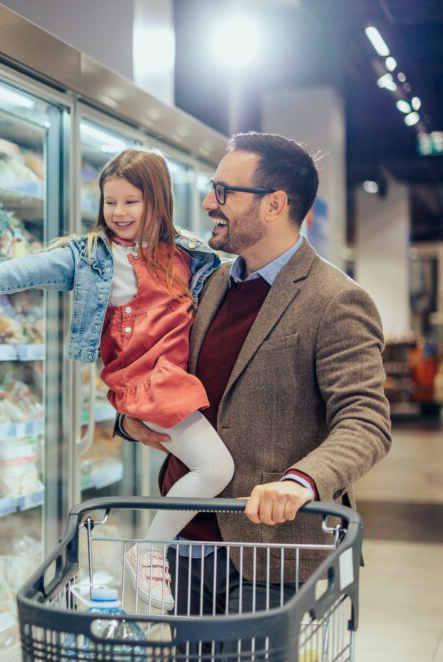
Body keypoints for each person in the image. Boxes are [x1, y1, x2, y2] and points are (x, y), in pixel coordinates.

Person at [117, 132, 391, 630]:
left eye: (224, 191)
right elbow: (161, 367)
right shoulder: (207, 284)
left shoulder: (336, 300)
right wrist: (128, 420)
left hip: (269, 551)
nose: (206, 202)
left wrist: (302, 481)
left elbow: (366, 422)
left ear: (275, 205)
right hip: (187, 546)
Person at [0, 148, 224, 610]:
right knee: (215, 468)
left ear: (158, 199)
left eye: (130, 202)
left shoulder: (189, 252)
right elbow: (29, 268)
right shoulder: (92, 256)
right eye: (110, 202)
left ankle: (154, 550)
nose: (118, 213)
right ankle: (151, 551)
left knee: (208, 466)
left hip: (177, 378)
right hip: (147, 380)